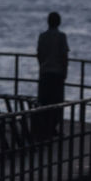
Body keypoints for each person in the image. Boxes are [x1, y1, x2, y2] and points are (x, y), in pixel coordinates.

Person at [35, 11, 69, 140]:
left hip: (44, 73)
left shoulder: (42, 36)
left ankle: (44, 128)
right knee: (57, 102)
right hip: (57, 73)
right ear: (59, 22)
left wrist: (42, 66)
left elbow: (39, 54)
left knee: (44, 101)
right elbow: (64, 56)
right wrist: (65, 72)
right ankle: (53, 128)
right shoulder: (61, 37)